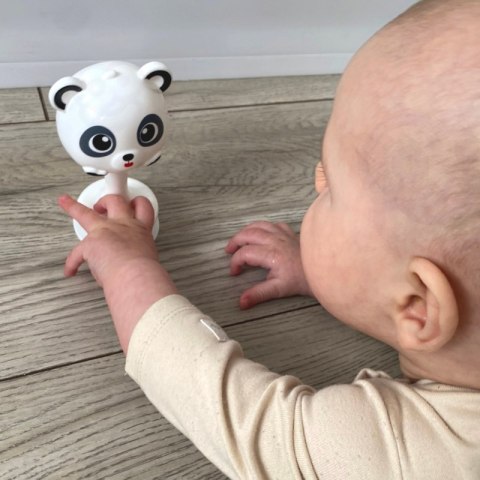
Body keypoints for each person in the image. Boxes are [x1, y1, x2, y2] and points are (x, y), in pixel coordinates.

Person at [58, 0, 480, 478]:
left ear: (417, 306)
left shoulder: (418, 459)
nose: (316, 179)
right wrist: (340, 276)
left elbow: (237, 416)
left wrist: (127, 267)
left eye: (332, 187)